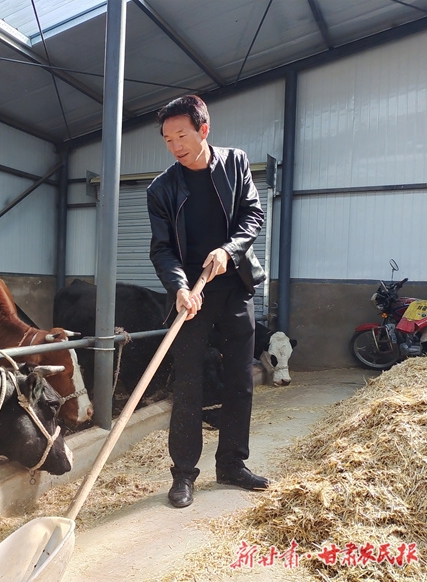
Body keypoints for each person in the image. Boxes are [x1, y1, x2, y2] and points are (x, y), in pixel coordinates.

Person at [147, 94, 268, 509]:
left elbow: (253, 214)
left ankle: (232, 464)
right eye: (167, 139)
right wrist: (180, 287)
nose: (175, 145)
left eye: (181, 134)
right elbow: (162, 249)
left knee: (240, 380)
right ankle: (183, 475)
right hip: (192, 299)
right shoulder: (161, 189)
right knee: (188, 385)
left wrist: (229, 250)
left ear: (203, 129)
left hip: (235, 288)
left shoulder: (235, 163)